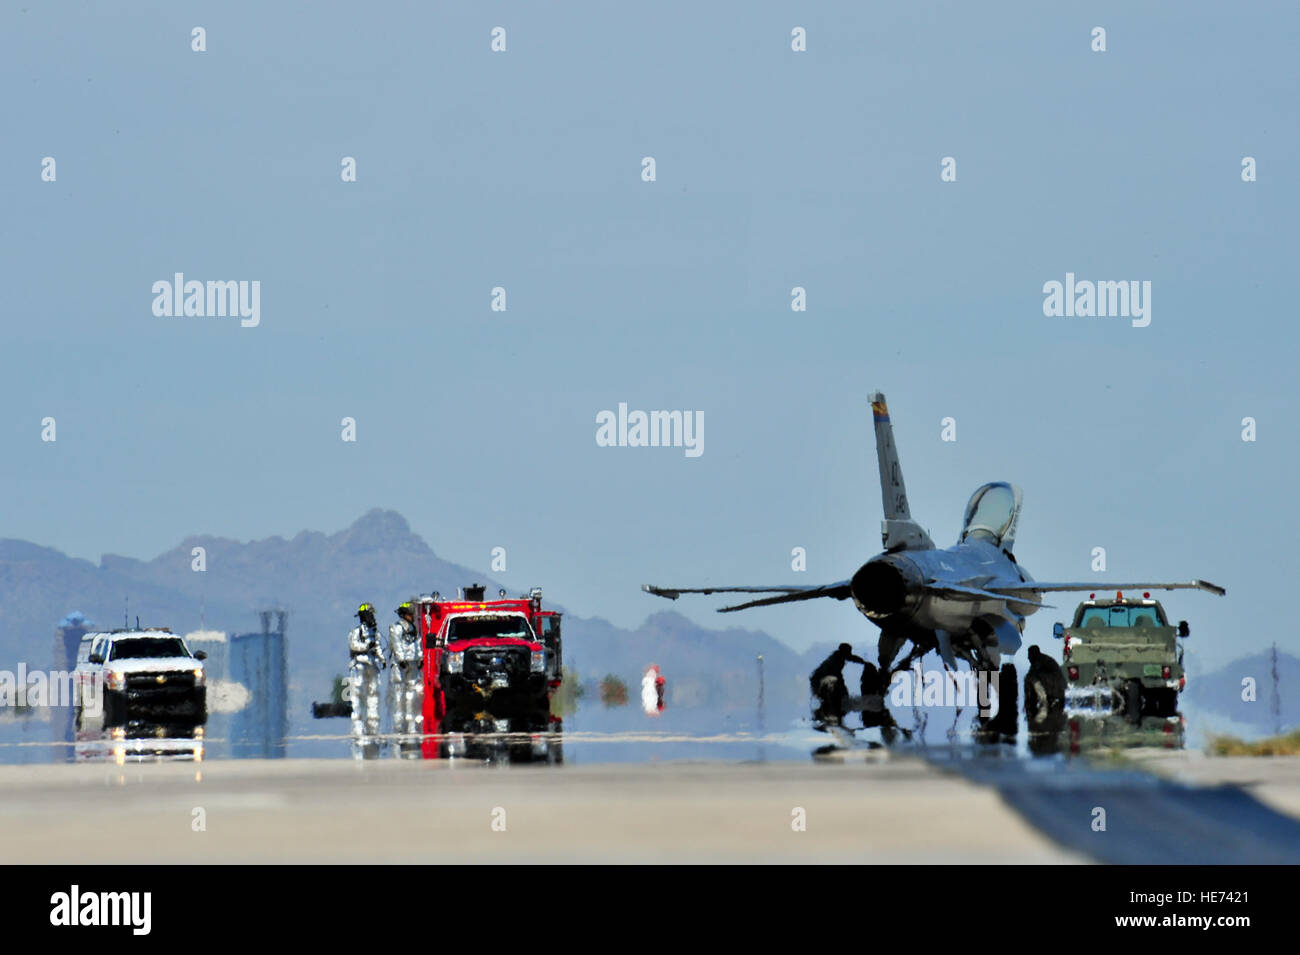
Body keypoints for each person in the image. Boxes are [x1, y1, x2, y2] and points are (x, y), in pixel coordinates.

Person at [348, 603, 384, 752]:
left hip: (372, 666)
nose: (372, 617)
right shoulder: (356, 632)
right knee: (357, 696)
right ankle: (357, 729)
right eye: (370, 614)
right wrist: (366, 647)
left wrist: (382, 659)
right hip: (359, 666)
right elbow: (353, 645)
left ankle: (373, 728)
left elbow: (378, 647)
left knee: (373, 696)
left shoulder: (374, 632)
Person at [387, 601, 424, 744]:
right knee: (398, 695)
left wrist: (420, 657)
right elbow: (396, 644)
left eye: (412, 613)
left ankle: (411, 726)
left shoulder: (414, 628)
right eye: (409, 614)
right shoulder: (396, 628)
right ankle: (398, 727)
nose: (412, 616)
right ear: (403, 614)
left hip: (413, 663)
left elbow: (418, 643)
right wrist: (401, 659)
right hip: (399, 665)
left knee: (412, 694)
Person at [809, 643, 866, 724]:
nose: (849, 654)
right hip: (818, 680)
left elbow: (850, 658)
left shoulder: (841, 656)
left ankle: (832, 715)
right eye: (848, 652)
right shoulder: (836, 659)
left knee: (839, 693)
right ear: (843, 651)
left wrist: (863, 662)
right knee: (832, 694)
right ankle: (824, 716)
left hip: (824, 679)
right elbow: (834, 674)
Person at [1024, 645, 1067, 725]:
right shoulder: (1039, 662)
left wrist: (1028, 704)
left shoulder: (1040, 662)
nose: (1028, 658)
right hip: (1056, 691)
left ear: (1034, 654)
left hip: (1056, 691)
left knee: (1031, 679)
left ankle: (1041, 705)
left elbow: (1031, 679)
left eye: (1029, 655)